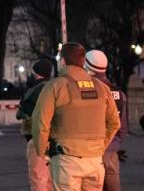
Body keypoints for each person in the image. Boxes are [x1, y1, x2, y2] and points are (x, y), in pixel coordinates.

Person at [31, 42, 120, 191]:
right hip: (95, 160)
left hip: (67, 159)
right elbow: (114, 123)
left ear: (63, 61)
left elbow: (41, 123)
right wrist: (100, 146)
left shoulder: (56, 86)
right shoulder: (101, 87)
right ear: (83, 61)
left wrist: (42, 151)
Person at [84, 50, 127, 191]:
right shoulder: (118, 92)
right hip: (111, 148)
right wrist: (116, 143)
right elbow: (122, 125)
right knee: (112, 183)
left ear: (87, 67)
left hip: (90, 149)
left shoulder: (86, 91)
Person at [16, 59, 53, 191]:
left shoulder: (34, 90)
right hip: (56, 139)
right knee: (52, 180)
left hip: (37, 138)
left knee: (39, 179)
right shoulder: (57, 87)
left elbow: (21, 113)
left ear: (36, 73)